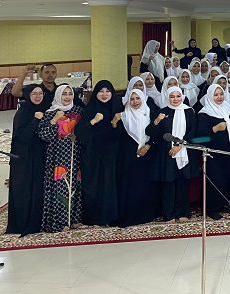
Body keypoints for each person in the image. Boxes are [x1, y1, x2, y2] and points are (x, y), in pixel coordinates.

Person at [146, 87, 197, 223]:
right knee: (168, 184)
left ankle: (183, 212)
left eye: (178, 96)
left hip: (183, 151)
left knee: (182, 183)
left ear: (182, 97)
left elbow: (193, 131)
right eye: (172, 96)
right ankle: (169, 214)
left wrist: (180, 146)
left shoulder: (189, 111)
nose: (175, 99)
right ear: (168, 97)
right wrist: (157, 121)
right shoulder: (163, 111)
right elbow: (151, 132)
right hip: (166, 153)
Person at [38, 84, 84, 232]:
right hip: (57, 156)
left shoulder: (78, 111)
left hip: (75, 155)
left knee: (75, 185)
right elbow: (44, 135)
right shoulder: (50, 113)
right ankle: (60, 221)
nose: (67, 97)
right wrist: (54, 119)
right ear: (58, 95)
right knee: (60, 186)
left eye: (70, 94)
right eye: (64, 94)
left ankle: (74, 219)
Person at [75, 80, 121, 226]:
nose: (104, 94)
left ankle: (111, 216)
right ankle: (94, 217)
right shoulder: (89, 110)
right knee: (94, 185)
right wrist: (93, 121)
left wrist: (114, 123)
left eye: (108, 91)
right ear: (95, 93)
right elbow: (80, 133)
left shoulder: (117, 109)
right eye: (101, 91)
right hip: (92, 155)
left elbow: (122, 134)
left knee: (110, 184)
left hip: (112, 155)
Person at [6, 86, 48, 235]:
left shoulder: (45, 109)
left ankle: (38, 220)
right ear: (28, 95)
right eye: (34, 94)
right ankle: (24, 222)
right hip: (24, 158)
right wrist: (35, 120)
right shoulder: (23, 112)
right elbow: (22, 137)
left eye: (40, 93)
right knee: (25, 189)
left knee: (38, 187)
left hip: (38, 155)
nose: (38, 96)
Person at [115, 88, 157, 227]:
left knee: (145, 184)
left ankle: (146, 214)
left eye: (138, 98)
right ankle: (130, 215)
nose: (135, 101)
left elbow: (156, 133)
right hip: (128, 157)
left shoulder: (150, 113)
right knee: (130, 185)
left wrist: (147, 146)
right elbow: (117, 137)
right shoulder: (123, 116)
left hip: (147, 154)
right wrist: (114, 122)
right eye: (132, 99)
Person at [197, 84, 230, 219]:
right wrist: (215, 129)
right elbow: (200, 137)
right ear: (210, 96)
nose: (219, 97)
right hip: (212, 153)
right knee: (214, 179)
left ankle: (222, 203)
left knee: (225, 178)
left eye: (221, 94)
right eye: (216, 95)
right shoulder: (204, 113)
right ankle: (211, 208)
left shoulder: (227, 108)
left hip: (227, 151)